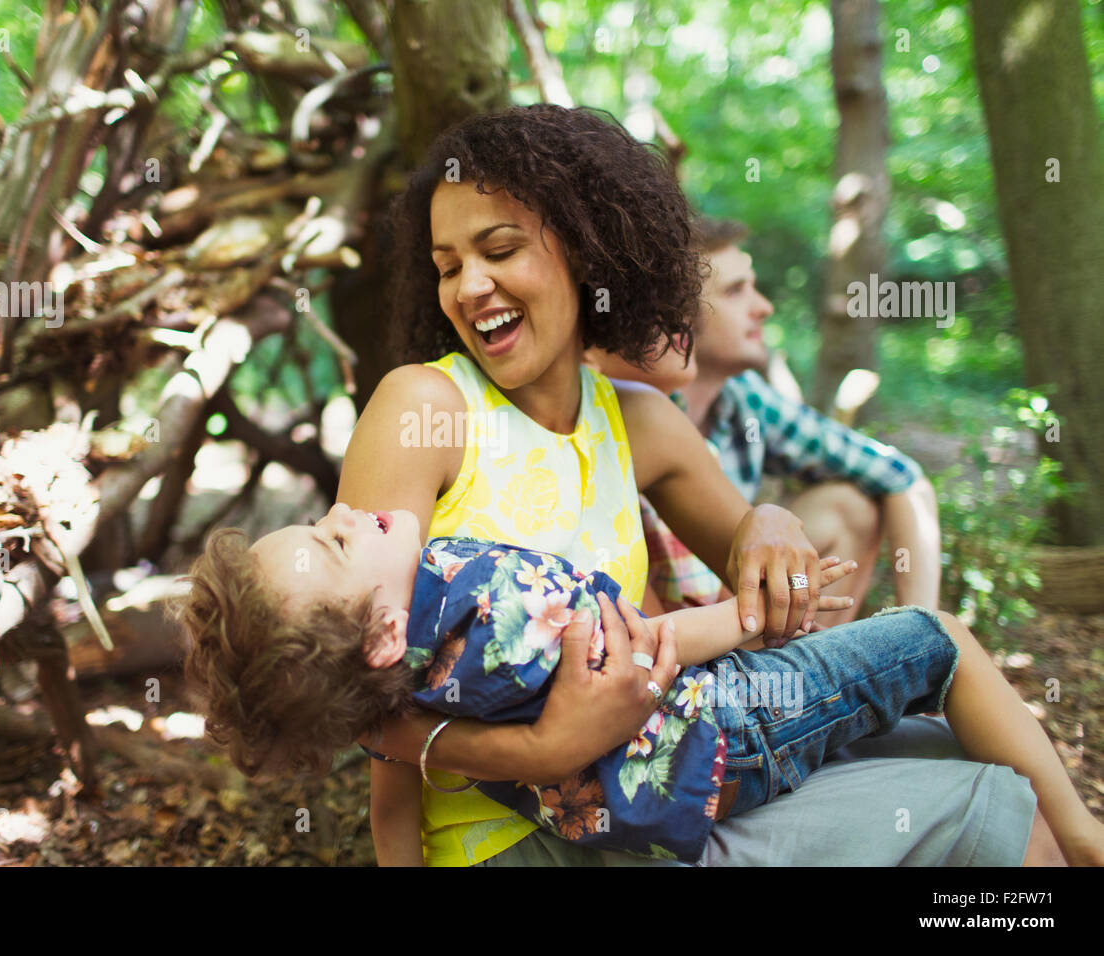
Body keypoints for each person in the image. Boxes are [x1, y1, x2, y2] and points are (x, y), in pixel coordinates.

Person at [331, 104, 1047, 866]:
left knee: (968, 752)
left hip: (659, 781)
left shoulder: (639, 423)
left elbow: (758, 571)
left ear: (585, 249)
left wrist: (767, 518)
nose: (470, 285)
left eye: (499, 249)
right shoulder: (423, 407)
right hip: (513, 842)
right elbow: (355, 700)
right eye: (447, 267)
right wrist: (543, 752)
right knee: (1001, 813)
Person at [175, 504, 1104, 866]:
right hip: (732, 731)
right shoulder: (484, 604)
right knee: (932, 639)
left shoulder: (390, 691)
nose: (344, 509)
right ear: (382, 634)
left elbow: (399, 798)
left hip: (664, 783)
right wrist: (760, 617)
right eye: (337, 542)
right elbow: (645, 647)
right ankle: (1082, 839)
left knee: (923, 713)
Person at [641, 217, 941, 620]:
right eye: (735, 291)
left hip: (736, 607)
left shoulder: (746, 398)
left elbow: (898, 474)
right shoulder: (633, 409)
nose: (764, 308)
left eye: (753, 287)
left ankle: (814, 669)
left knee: (848, 506)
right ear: (676, 315)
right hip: (673, 630)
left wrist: (924, 634)